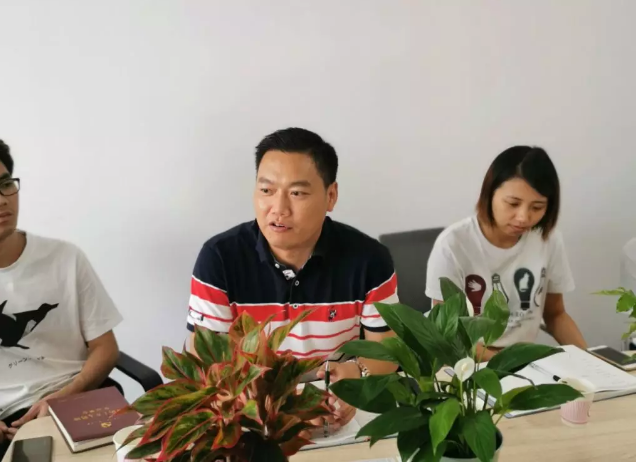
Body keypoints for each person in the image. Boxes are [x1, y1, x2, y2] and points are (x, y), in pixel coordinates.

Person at [186, 127, 399, 430]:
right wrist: (283, 405)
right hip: (251, 420)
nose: (279, 209)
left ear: (331, 196)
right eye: (267, 190)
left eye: (297, 193)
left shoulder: (370, 260)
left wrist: (357, 374)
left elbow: (387, 352)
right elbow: (204, 366)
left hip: (338, 415)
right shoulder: (219, 259)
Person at [0, 132, 123, 462]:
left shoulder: (64, 258)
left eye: (5, 185)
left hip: (78, 399)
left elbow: (105, 348)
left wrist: (62, 397)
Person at [426, 146, 587, 360]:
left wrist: (590, 360)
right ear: (490, 193)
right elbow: (447, 332)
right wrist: (506, 363)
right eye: (513, 203)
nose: (523, 217)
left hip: (524, 363)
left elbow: (555, 314)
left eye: (537, 207)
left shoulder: (548, 239)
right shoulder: (453, 245)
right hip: (470, 366)